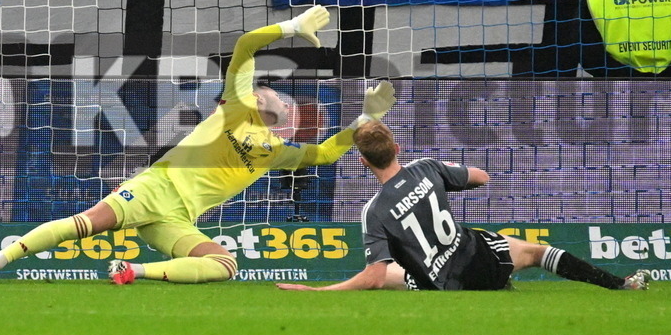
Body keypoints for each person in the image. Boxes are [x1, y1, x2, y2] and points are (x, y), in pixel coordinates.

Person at [0, 5, 397, 285]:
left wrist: (366, 118)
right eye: (267, 90)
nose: (273, 94)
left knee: (226, 265)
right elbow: (245, 47)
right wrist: (290, 27)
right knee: (86, 223)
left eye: (278, 95)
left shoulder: (276, 151)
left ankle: (134, 271)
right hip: (155, 188)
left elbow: (322, 153)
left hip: (178, 217)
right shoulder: (235, 108)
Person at [277, 120, 651, 292]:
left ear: (362, 162)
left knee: (389, 275)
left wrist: (324, 291)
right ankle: (618, 284)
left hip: (440, 285)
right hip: (480, 260)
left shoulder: (373, 210)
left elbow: (374, 275)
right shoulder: (426, 168)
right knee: (535, 251)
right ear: (397, 149)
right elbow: (482, 177)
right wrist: (448, 181)